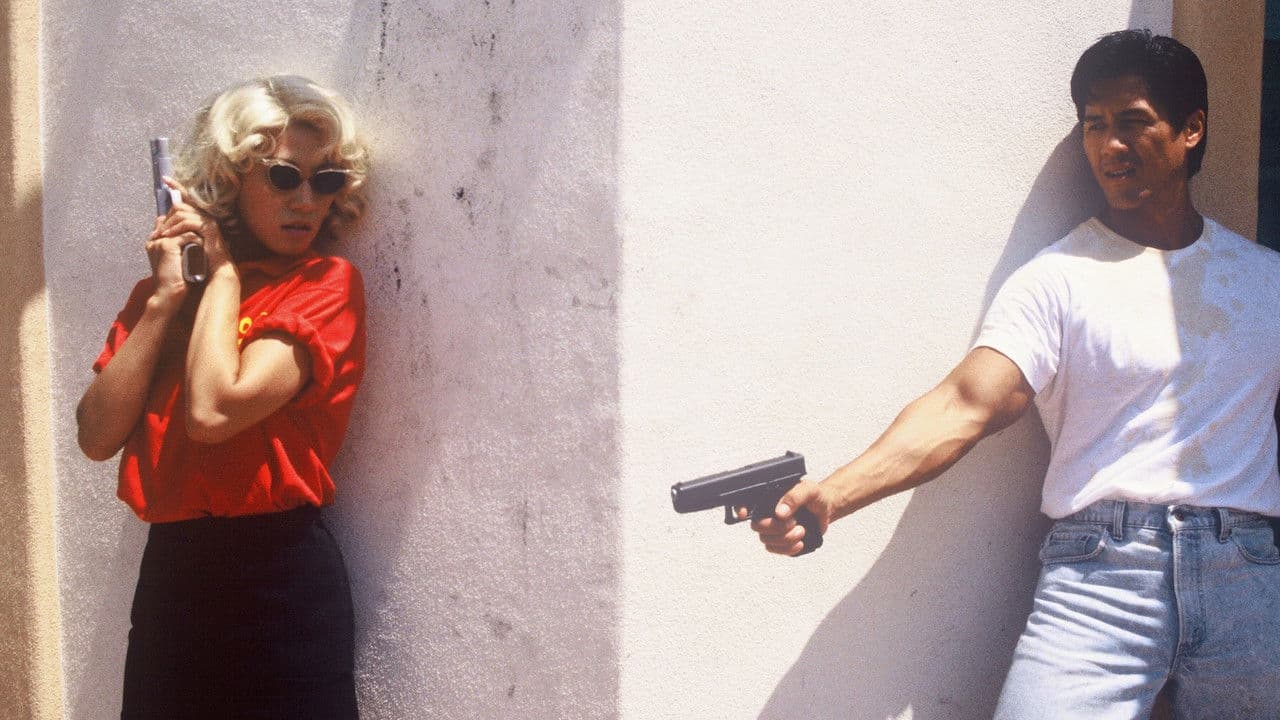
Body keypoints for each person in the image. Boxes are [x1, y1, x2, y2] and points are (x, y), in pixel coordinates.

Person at [748, 30, 1280, 719]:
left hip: (1248, 575)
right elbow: (964, 404)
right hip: (1103, 576)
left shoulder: (1264, 280)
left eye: (1132, 121)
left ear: (1191, 129)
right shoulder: (1057, 279)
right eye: (1094, 125)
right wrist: (832, 496)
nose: (1109, 145)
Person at [76, 75, 369, 719]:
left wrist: (224, 276)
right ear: (229, 180)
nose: (307, 201)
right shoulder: (165, 295)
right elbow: (95, 437)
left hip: (280, 582)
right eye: (284, 177)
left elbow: (213, 411)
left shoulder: (324, 284)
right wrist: (163, 302)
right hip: (174, 577)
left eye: (325, 181)